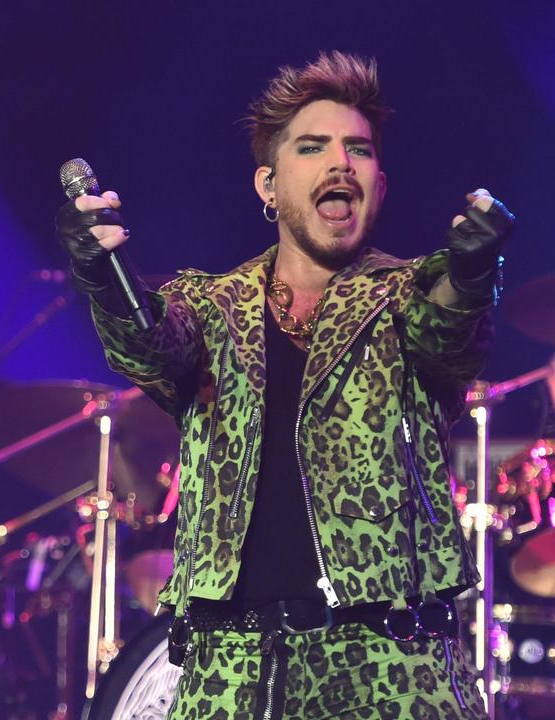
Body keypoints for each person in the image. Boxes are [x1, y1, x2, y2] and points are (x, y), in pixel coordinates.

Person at [57, 51, 512, 718]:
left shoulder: (407, 297)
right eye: (313, 146)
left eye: (358, 149)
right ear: (268, 186)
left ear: (379, 186)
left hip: (391, 673)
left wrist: (472, 275)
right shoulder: (210, 307)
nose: (340, 163)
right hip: (231, 677)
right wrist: (101, 275)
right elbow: (148, 344)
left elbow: (449, 333)